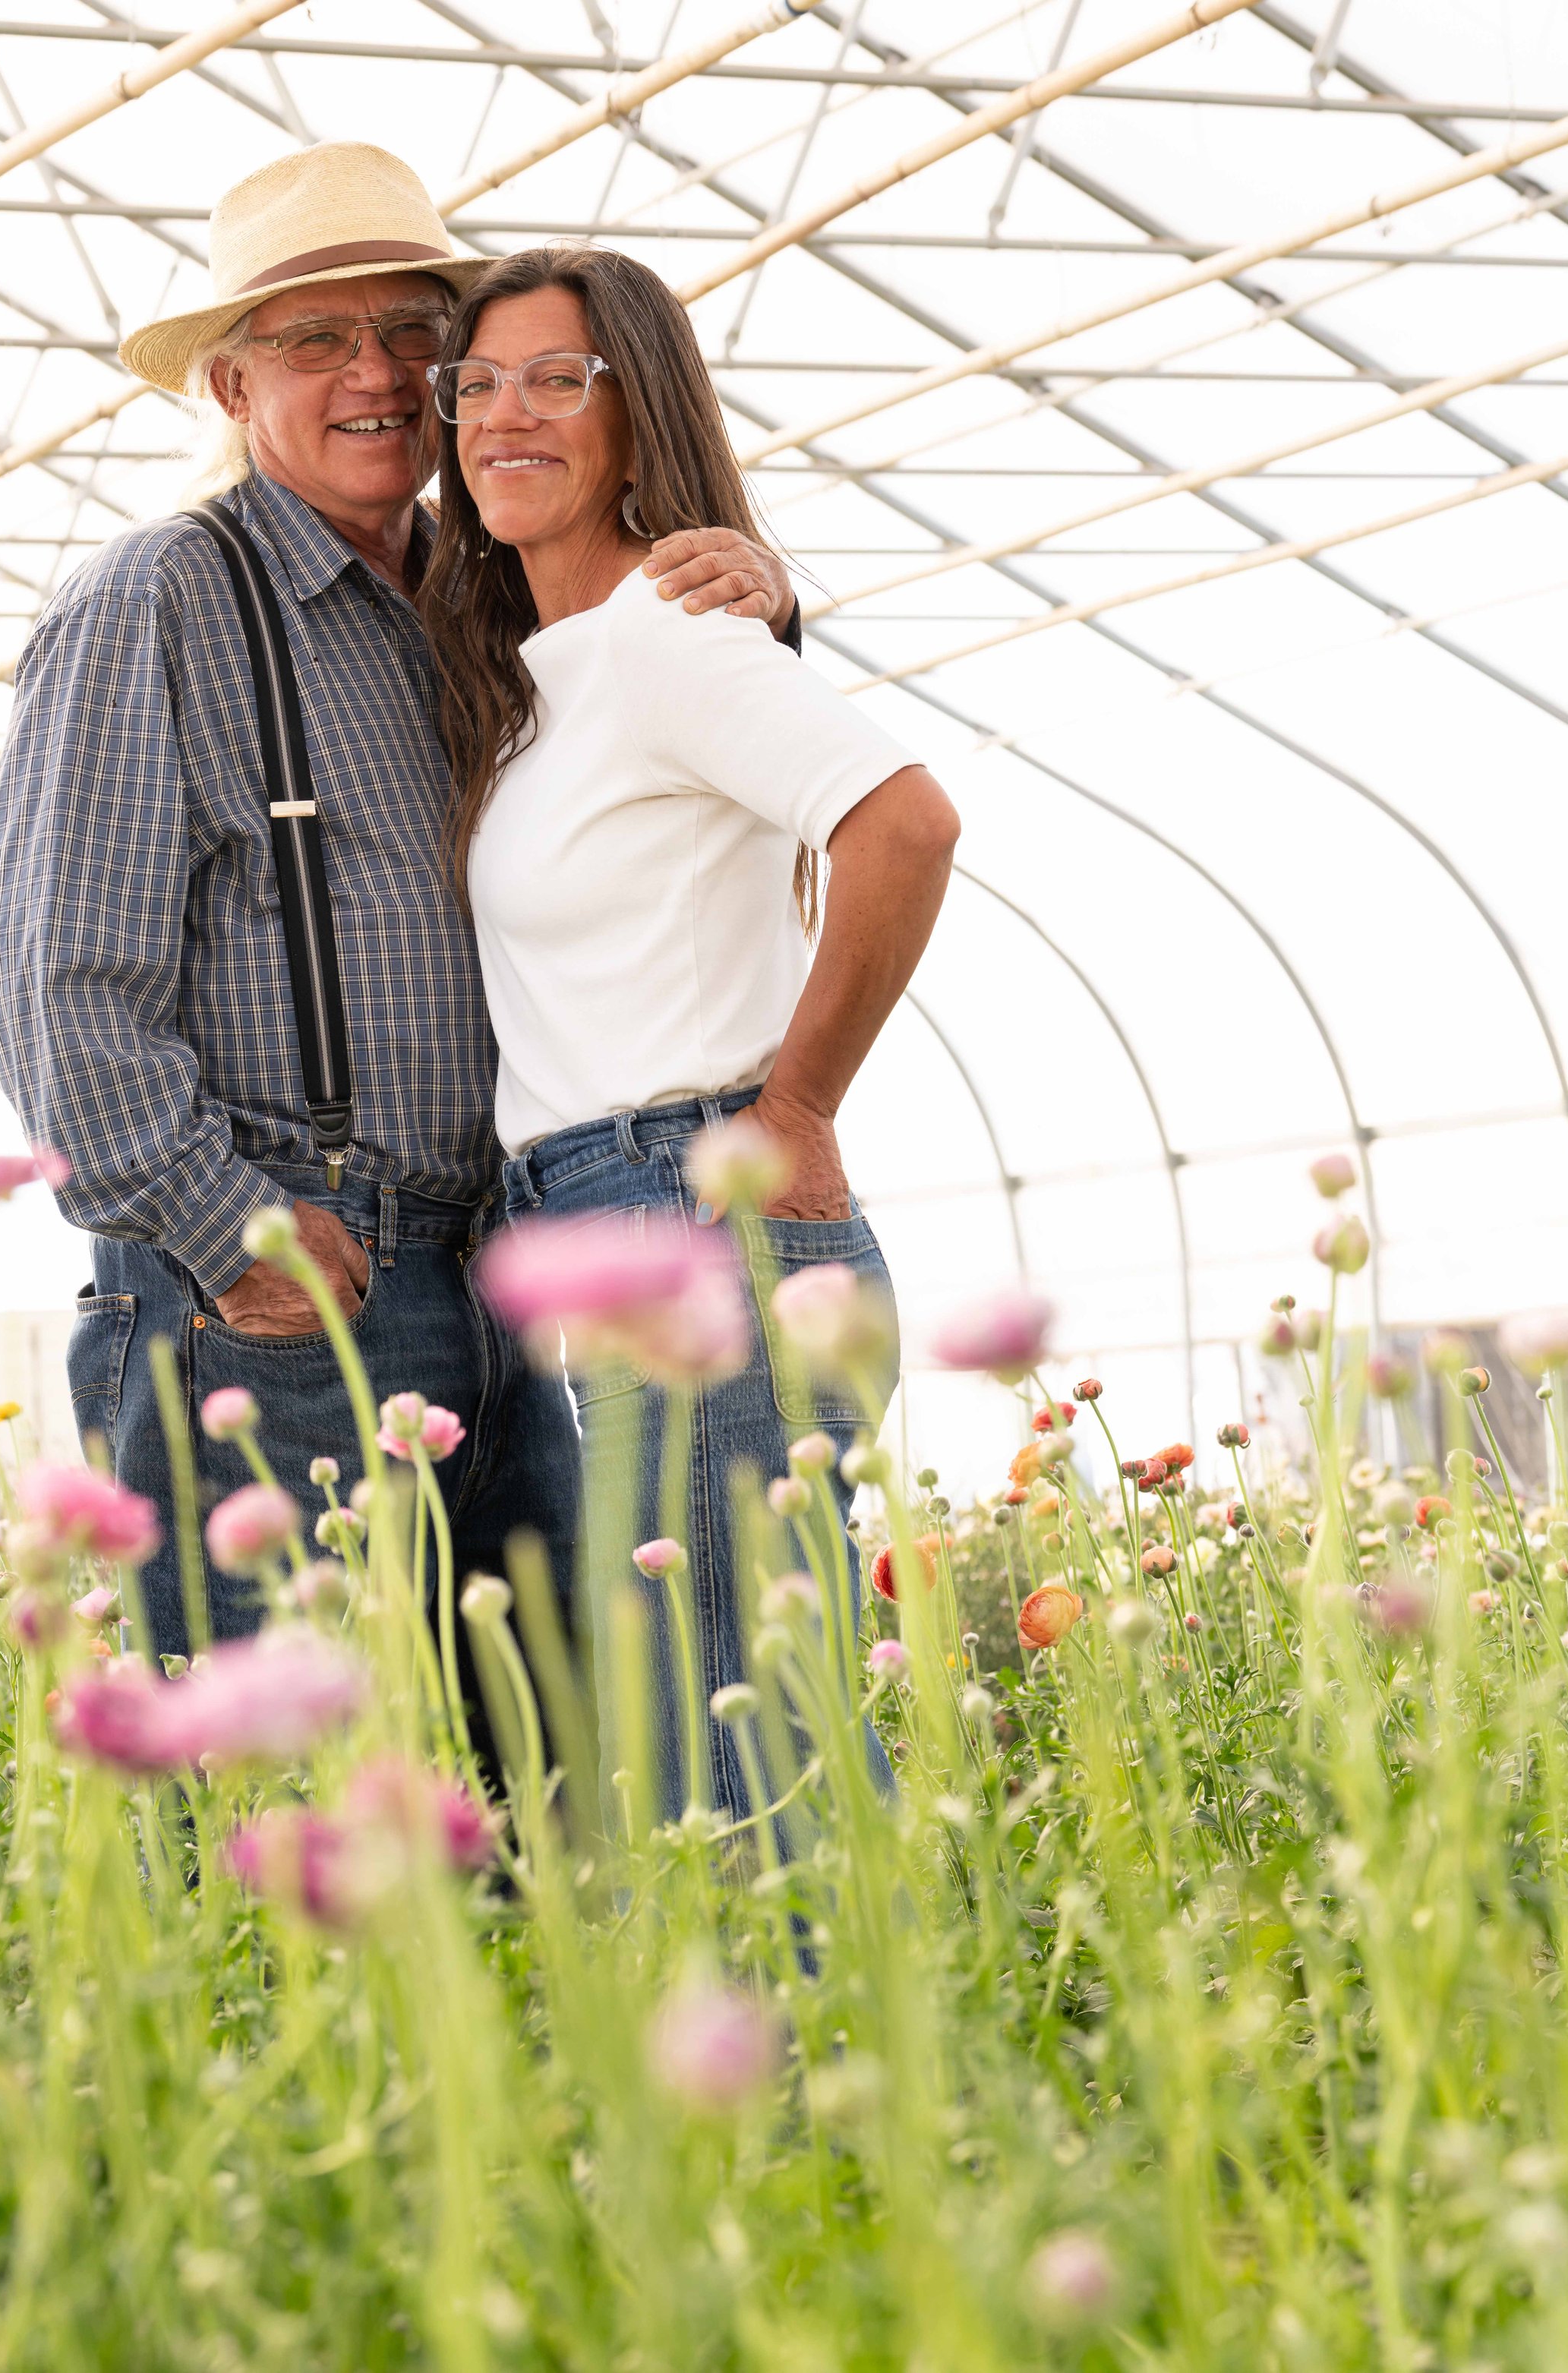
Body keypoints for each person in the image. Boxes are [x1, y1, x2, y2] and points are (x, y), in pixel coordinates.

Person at [0, 147, 800, 1659]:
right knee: (284, 1769)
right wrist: (232, 1234)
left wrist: (751, 593)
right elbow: (49, 981)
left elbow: (674, 795)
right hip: (280, 1287)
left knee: (549, 1760)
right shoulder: (156, 599)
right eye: (315, 341)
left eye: (415, 334)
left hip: (504, 1265)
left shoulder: (491, 598)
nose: (377, 374)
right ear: (232, 386)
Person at [416, 247, 961, 1815]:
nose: (504, 416)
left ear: (636, 412)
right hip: (614, 1214)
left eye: (556, 379)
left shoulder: (666, 630)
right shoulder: (547, 671)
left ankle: (856, 1983)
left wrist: (795, 1110)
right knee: (723, 1732)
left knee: (743, 1740)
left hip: (696, 1204)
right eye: (477, 384)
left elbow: (904, 824)